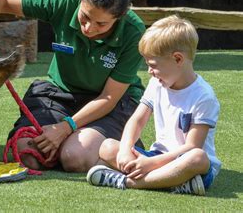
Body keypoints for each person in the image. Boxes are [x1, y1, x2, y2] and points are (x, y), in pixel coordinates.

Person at [0, 0, 145, 172]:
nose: (88, 28)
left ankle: (112, 152)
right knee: (26, 153)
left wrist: (65, 128)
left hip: (110, 105)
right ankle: (80, 145)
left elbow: (109, 98)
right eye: (85, 17)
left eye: (101, 24)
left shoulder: (133, 32)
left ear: (121, 16)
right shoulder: (63, 0)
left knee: (74, 157)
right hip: (60, 95)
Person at [87, 15, 221, 195]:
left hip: (187, 163)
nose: (149, 71)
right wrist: (126, 150)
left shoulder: (204, 97)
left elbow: (192, 147)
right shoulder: (157, 84)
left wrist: (150, 164)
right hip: (157, 158)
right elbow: (137, 120)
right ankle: (171, 183)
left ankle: (128, 182)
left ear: (178, 59)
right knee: (107, 146)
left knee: (198, 158)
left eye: (153, 65)